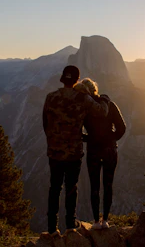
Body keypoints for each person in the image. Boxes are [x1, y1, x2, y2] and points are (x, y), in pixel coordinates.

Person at [42, 66, 109, 235]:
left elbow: (45, 123)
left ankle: (52, 228)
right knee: (71, 187)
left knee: (54, 188)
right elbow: (101, 112)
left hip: (54, 151)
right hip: (73, 152)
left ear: (63, 79)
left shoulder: (51, 97)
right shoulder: (82, 98)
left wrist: (53, 140)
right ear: (76, 80)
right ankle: (71, 225)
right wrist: (105, 99)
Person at [76, 78, 126, 229]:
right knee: (108, 185)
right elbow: (122, 128)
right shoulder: (109, 105)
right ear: (95, 89)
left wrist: (89, 138)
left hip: (93, 151)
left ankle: (96, 222)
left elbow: (77, 131)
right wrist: (110, 139)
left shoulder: (84, 109)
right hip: (110, 150)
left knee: (94, 186)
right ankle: (105, 221)